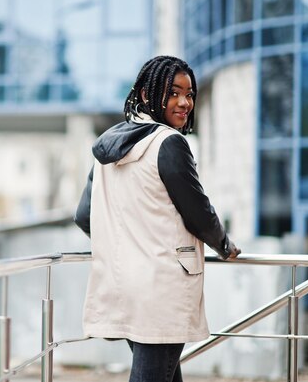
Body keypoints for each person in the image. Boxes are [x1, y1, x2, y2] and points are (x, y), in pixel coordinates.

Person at [74, 55, 241, 382]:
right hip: (162, 290)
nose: (185, 102)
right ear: (148, 95)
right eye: (174, 92)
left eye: (190, 94)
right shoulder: (169, 143)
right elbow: (199, 212)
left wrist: (129, 244)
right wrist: (224, 244)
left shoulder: (110, 146)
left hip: (123, 286)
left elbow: (84, 216)